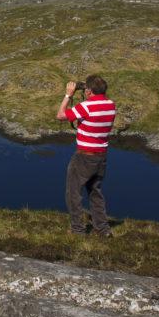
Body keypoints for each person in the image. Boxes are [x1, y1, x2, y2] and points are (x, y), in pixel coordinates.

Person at [55, 75, 116, 237]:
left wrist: (68, 94)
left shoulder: (86, 107)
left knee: (73, 193)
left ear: (88, 91)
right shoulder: (111, 105)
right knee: (95, 192)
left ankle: (77, 230)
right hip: (101, 156)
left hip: (84, 157)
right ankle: (103, 229)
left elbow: (60, 115)